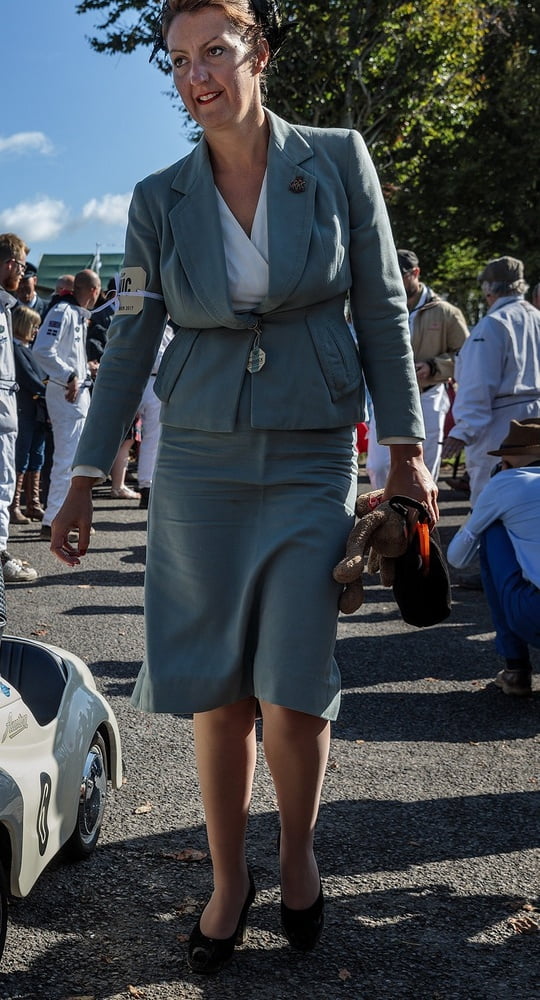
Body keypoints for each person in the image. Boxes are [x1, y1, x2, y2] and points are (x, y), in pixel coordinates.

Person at [50, 0, 437, 972]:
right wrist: (86, 475)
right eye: (179, 61)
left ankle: (297, 851)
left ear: (257, 52)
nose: (197, 78)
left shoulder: (337, 161)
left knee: (296, 685)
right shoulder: (156, 197)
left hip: (312, 450)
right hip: (202, 462)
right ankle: (231, 878)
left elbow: (383, 308)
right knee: (219, 693)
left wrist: (405, 447)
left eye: (214, 53)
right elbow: (132, 335)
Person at [447, 418, 540, 696]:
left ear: (508, 464)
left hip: (534, 615)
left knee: (492, 532)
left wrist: (481, 516)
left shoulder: (506, 482)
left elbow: (457, 558)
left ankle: (515, 668)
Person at [441, 255, 540, 506]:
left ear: (488, 289)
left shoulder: (492, 325)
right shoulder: (537, 318)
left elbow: (478, 383)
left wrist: (463, 431)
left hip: (501, 423)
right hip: (536, 417)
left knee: (491, 496)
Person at [366, 248, 469, 488]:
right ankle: (387, 521)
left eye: (400, 275)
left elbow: (467, 356)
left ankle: (421, 525)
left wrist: (433, 367)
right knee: (378, 466)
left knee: (424, 471)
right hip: (387, 397)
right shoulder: (380, 308)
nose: (393, 281)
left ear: (416, 272)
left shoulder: (445, 312)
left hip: (429, 396)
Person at [33, 269, 101, 539]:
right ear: (94, 291)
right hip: (66, 393)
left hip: (76, 392)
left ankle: (63, 517)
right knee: (67, 458)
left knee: (74, 459)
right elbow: (42, 350)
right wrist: (69, 375)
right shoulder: (62, 311)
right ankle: (52, 520)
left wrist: (84, 370)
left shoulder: (76, 314)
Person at [0, 233, 38, 582]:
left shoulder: (5, 306)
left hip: (7, 407)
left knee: (6, 477)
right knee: (2, 480)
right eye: (22, 266)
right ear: (11, 264)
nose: (23, 274)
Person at [10, 305, 48, 523]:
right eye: (34, 326)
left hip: (37, 413)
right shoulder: (16, 351)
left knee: (37, 457)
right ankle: (14, 506)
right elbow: (31, 380)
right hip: (24, 410)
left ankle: (33, 503)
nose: (36, 331)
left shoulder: (27, 349)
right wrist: (52, 391)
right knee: (21, 458)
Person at [136, 323, 174, 509]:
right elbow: (159, 360)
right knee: (151, 439)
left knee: (153, 439)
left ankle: (148, 486)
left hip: (155, 382)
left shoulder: (167, 328)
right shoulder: (154, 326)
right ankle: (146, 486)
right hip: (151, 381)